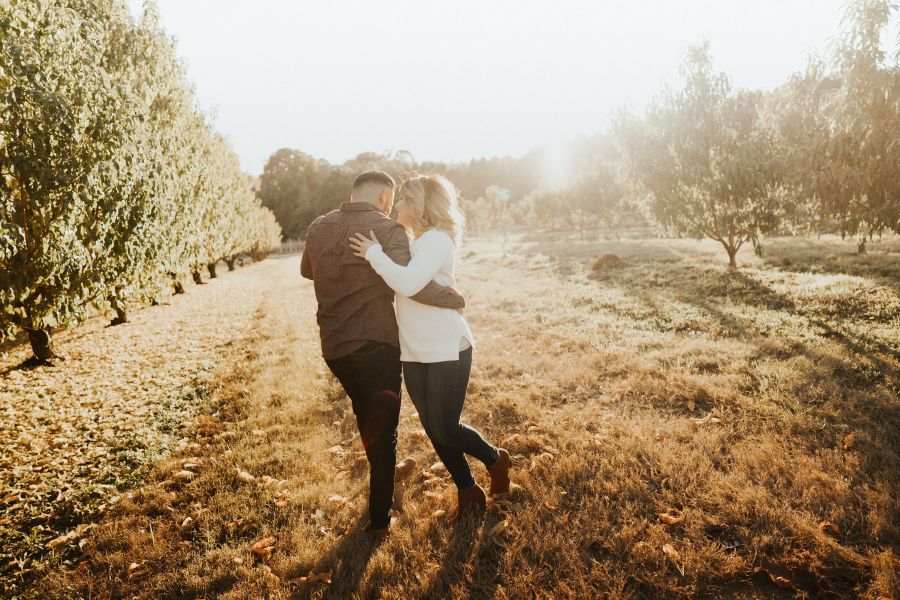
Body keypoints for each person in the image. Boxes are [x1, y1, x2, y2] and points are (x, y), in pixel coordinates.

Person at [300, 170, 465, 539]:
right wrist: (454, 298)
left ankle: (385, 474)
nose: (392, 210)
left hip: (334, 346)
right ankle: (378, 521)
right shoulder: (387, 229)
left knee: (366, 413)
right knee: (384, 431)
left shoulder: (318, 226)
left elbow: (308, 271)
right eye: (392, 203)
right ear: (382, 198)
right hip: (375, 344)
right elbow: (413, 285)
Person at [349, 173, 511, 520]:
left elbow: (406, 283)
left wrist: (373, 252)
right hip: (414, 350)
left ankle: (496, 461)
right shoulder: (413, 241)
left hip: (446, 348)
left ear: (419, 206)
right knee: (433, 427)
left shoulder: (437, 240)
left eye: (404, 200)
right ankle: (468, 491)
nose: (397, 206)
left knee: (445, 426)